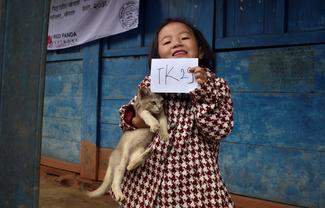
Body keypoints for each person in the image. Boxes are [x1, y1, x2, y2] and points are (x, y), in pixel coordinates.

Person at [118, 18, 235, 208]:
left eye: (184, 37)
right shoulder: (150, 83)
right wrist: (137, 118)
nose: (176, 43)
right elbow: (127, 120)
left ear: (201, 50)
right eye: (167, 42)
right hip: (148, 179)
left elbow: (217, 131)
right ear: (159, 59)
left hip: (194, 185)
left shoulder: (216, 86)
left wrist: (202, 90)